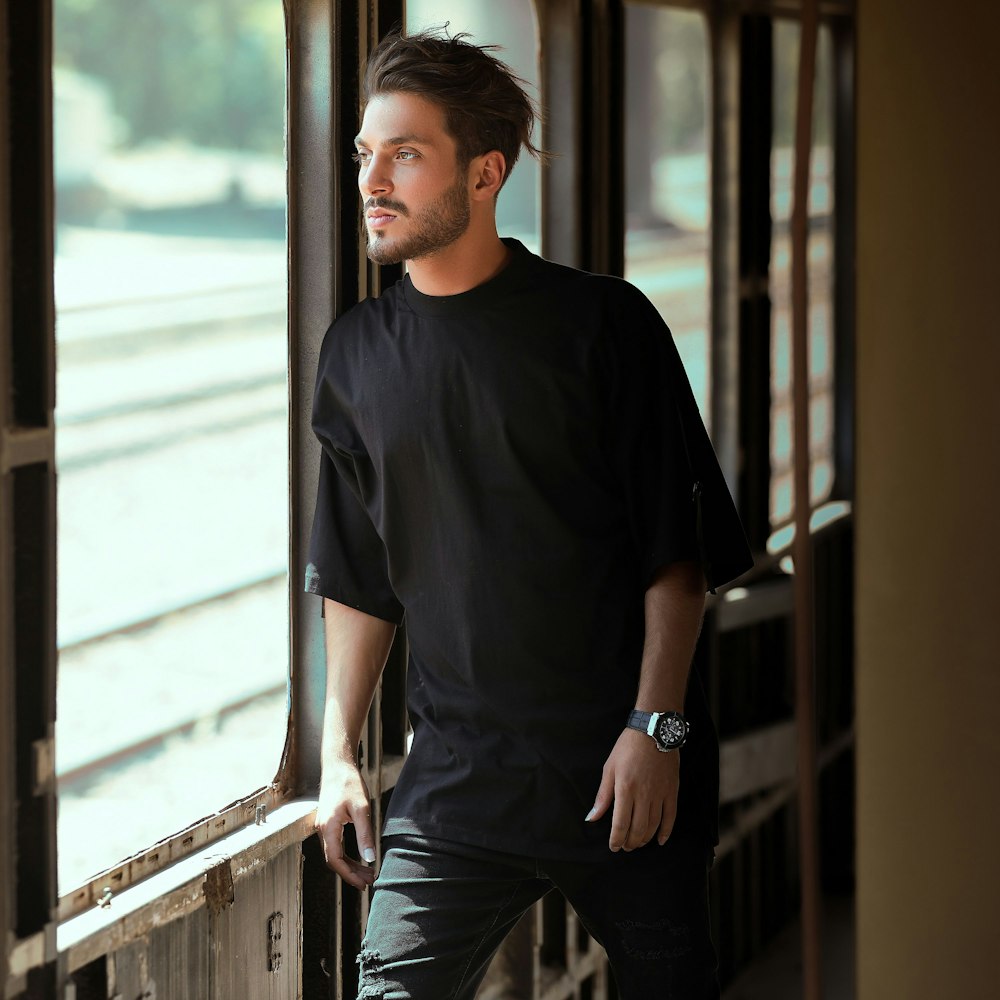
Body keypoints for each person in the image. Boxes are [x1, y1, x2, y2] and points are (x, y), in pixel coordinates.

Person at [307, 28, 753, 1000]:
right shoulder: (355, 353)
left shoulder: (602, 325)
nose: (372, 179)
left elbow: (673, 556)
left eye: (406, 153)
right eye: (364, 154)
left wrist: (655, 728)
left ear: (484, 172)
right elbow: (357, 577)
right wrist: (338, 755)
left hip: (625, 775)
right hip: (456, 785)